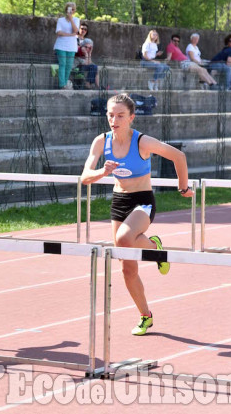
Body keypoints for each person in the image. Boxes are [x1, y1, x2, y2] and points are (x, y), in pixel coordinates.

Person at [80, 93, 192, 336]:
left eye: (120, 115)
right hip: (119, 201)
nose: (114, 119)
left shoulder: (141, 142)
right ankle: (146, 316)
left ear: (131, 117)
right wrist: (102, 172)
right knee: (127, 269)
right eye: (111, 115)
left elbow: (178, 156)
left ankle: (153, 247)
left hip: (142, 202)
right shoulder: (101, 142)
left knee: (123, 239)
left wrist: (183, 187)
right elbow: (84, 178)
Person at [54, 2, 80, 90]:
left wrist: (71, 19)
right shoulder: (60, 20)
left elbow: (76, 31)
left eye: (73, 9)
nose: (71, 11)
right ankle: (62, 85)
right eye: (69, 9)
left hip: (71, 46)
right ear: (66, 9)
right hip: (61, 45)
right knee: (62, 64)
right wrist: (70, 35)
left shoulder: (76, 19)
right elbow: (58, 32)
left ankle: (65, 84)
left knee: (69, 65)